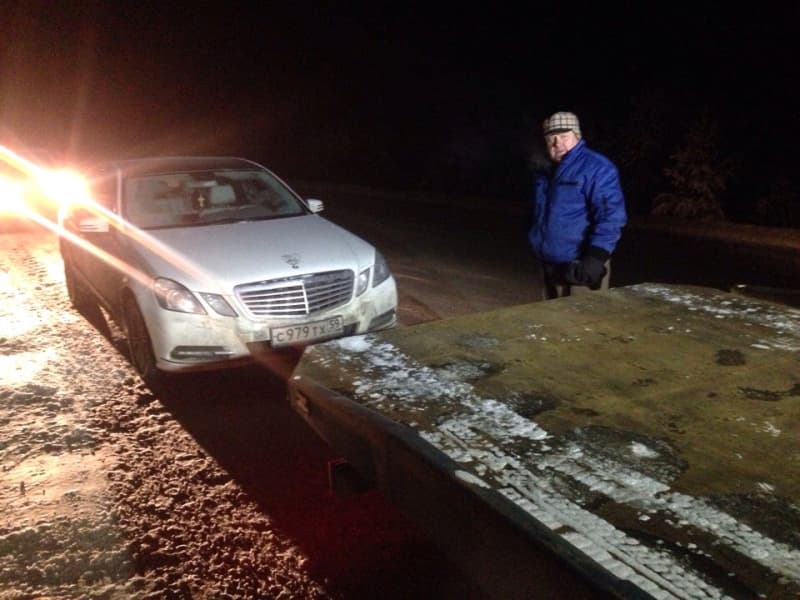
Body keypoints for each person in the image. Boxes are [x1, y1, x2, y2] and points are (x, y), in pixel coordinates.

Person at [528, 111, 627, 299]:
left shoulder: (597, 168)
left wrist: (596, 258)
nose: (558, 144)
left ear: (577, 135)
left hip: (580, 268)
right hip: (550, 266)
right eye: (552, 138)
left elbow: (611, 217)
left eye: (564, 136)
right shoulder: (545, 171)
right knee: (549, 325)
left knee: (579, 325)